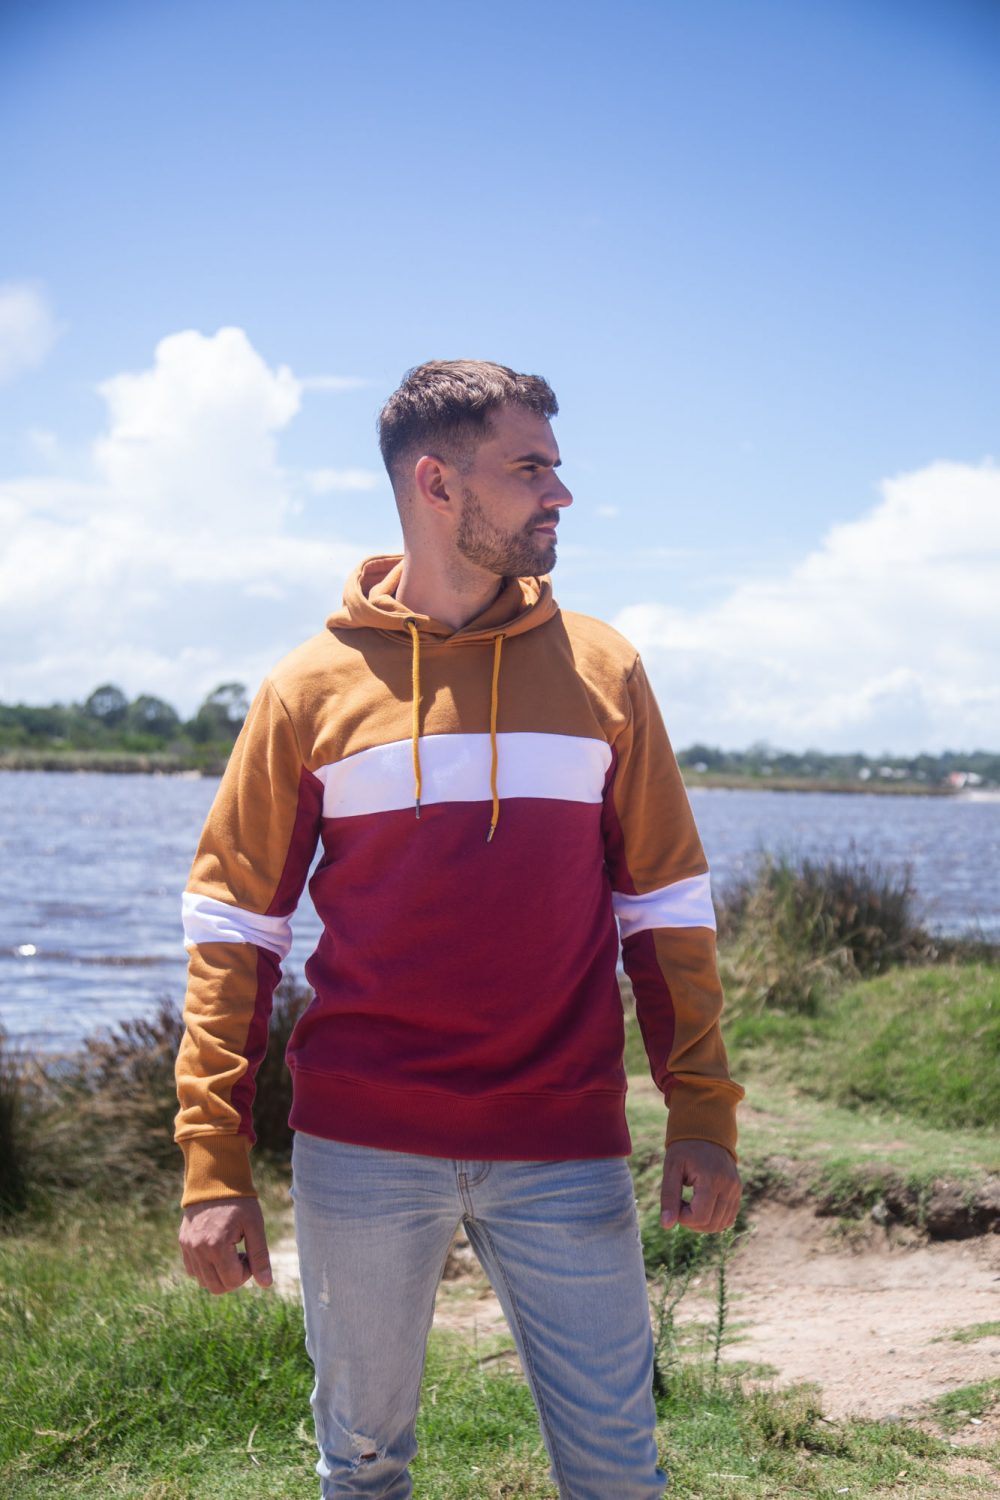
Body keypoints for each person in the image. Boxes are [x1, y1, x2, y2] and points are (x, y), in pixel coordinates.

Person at [175, 359, 744, 1499]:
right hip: (362, 1145)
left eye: (556, 467)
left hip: (563, 1139)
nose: (560, 494)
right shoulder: (307, 691)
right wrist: (212, 1160)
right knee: (363, 1467)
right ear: (437, 483)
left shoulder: (604, 671)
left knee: (618, 1470)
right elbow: (236, 932)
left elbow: (664, 911)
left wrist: (701, 1110)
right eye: (529, 468)